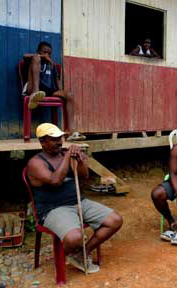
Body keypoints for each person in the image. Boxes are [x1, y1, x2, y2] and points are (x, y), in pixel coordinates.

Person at [26, 123, 123, 273]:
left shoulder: (65, 154)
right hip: (53, 209)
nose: (59, 142)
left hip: (78, 202)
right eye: (54, 139)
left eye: (60, 138)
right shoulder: (36, 163)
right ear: (42, 142)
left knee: (115, 220)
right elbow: (55, 181)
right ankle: (73, 251)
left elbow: (84, 176)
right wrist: (66, 157)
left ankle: (81, 253)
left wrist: (81, 161)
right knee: (74, 238)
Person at [23, 42, 85, 141]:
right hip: (33, 89)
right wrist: (43, 57)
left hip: (48, 91)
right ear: (38, 51)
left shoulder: (52, 64)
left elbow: (58, 82)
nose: (47, 55)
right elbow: (25, 56)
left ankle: (71, 131)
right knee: (36, 58)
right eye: (44, 52)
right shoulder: (34, 59)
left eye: (49, 53)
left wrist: (63, 94)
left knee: (69, 95)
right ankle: (36, 93)